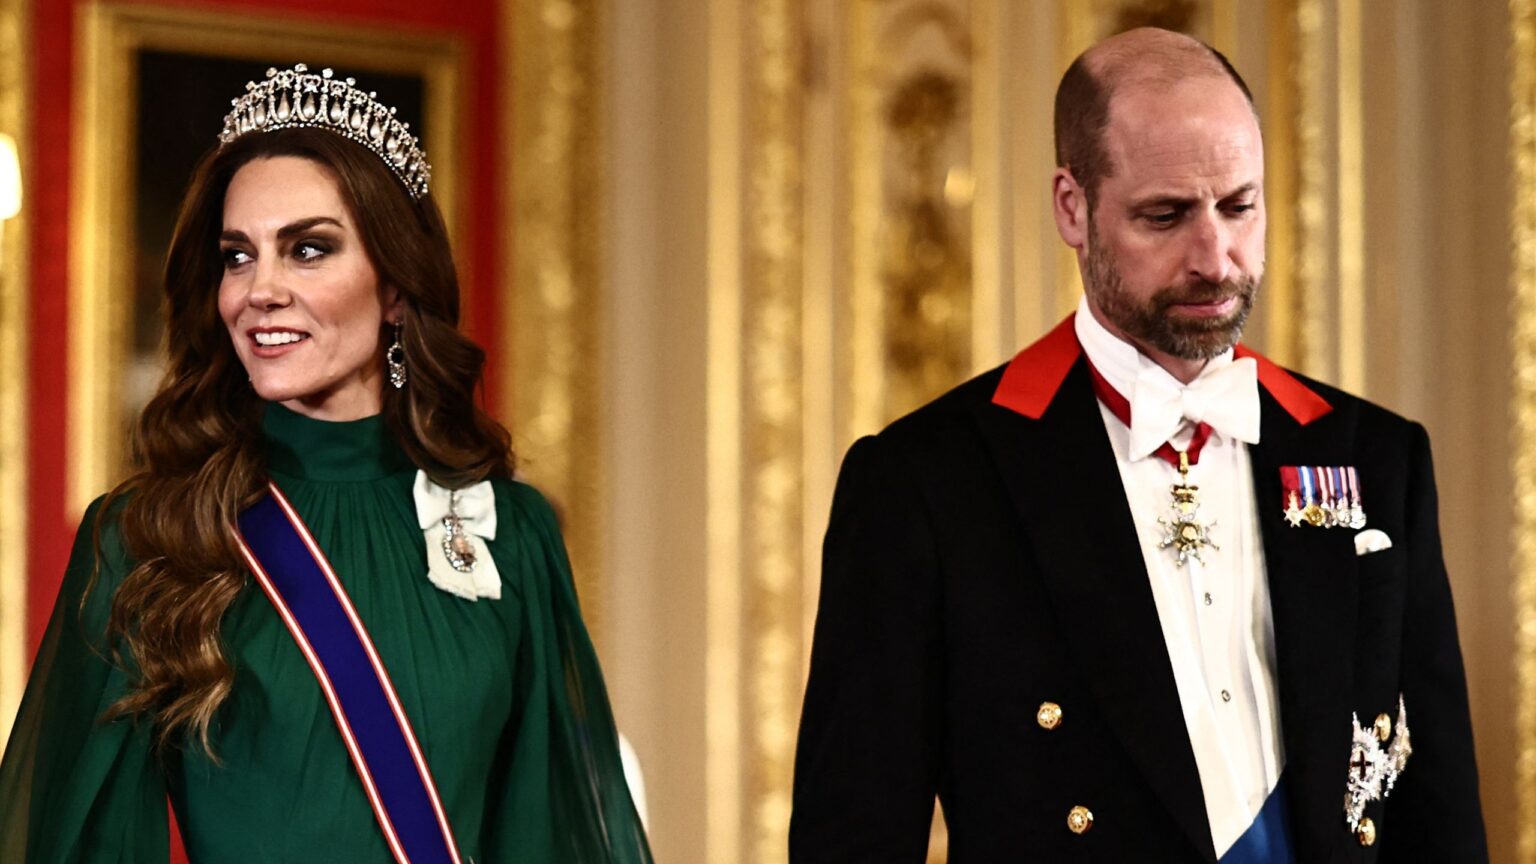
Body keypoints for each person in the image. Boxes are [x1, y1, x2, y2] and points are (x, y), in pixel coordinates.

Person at [790, 27, 1487, 863]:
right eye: (1166, 215)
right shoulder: (928, 483)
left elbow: (1438, 821)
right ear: (1072, 207)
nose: (1215, 256)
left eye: (1240, 206)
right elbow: (855, 837)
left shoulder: (1377, 461)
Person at [0, 64, 652, 863]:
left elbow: (545, 835)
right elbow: (80, 840)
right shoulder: (149, 533)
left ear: (397, 291)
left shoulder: (508, 532)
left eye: (307, 249)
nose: (259, 289)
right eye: (238, 257)